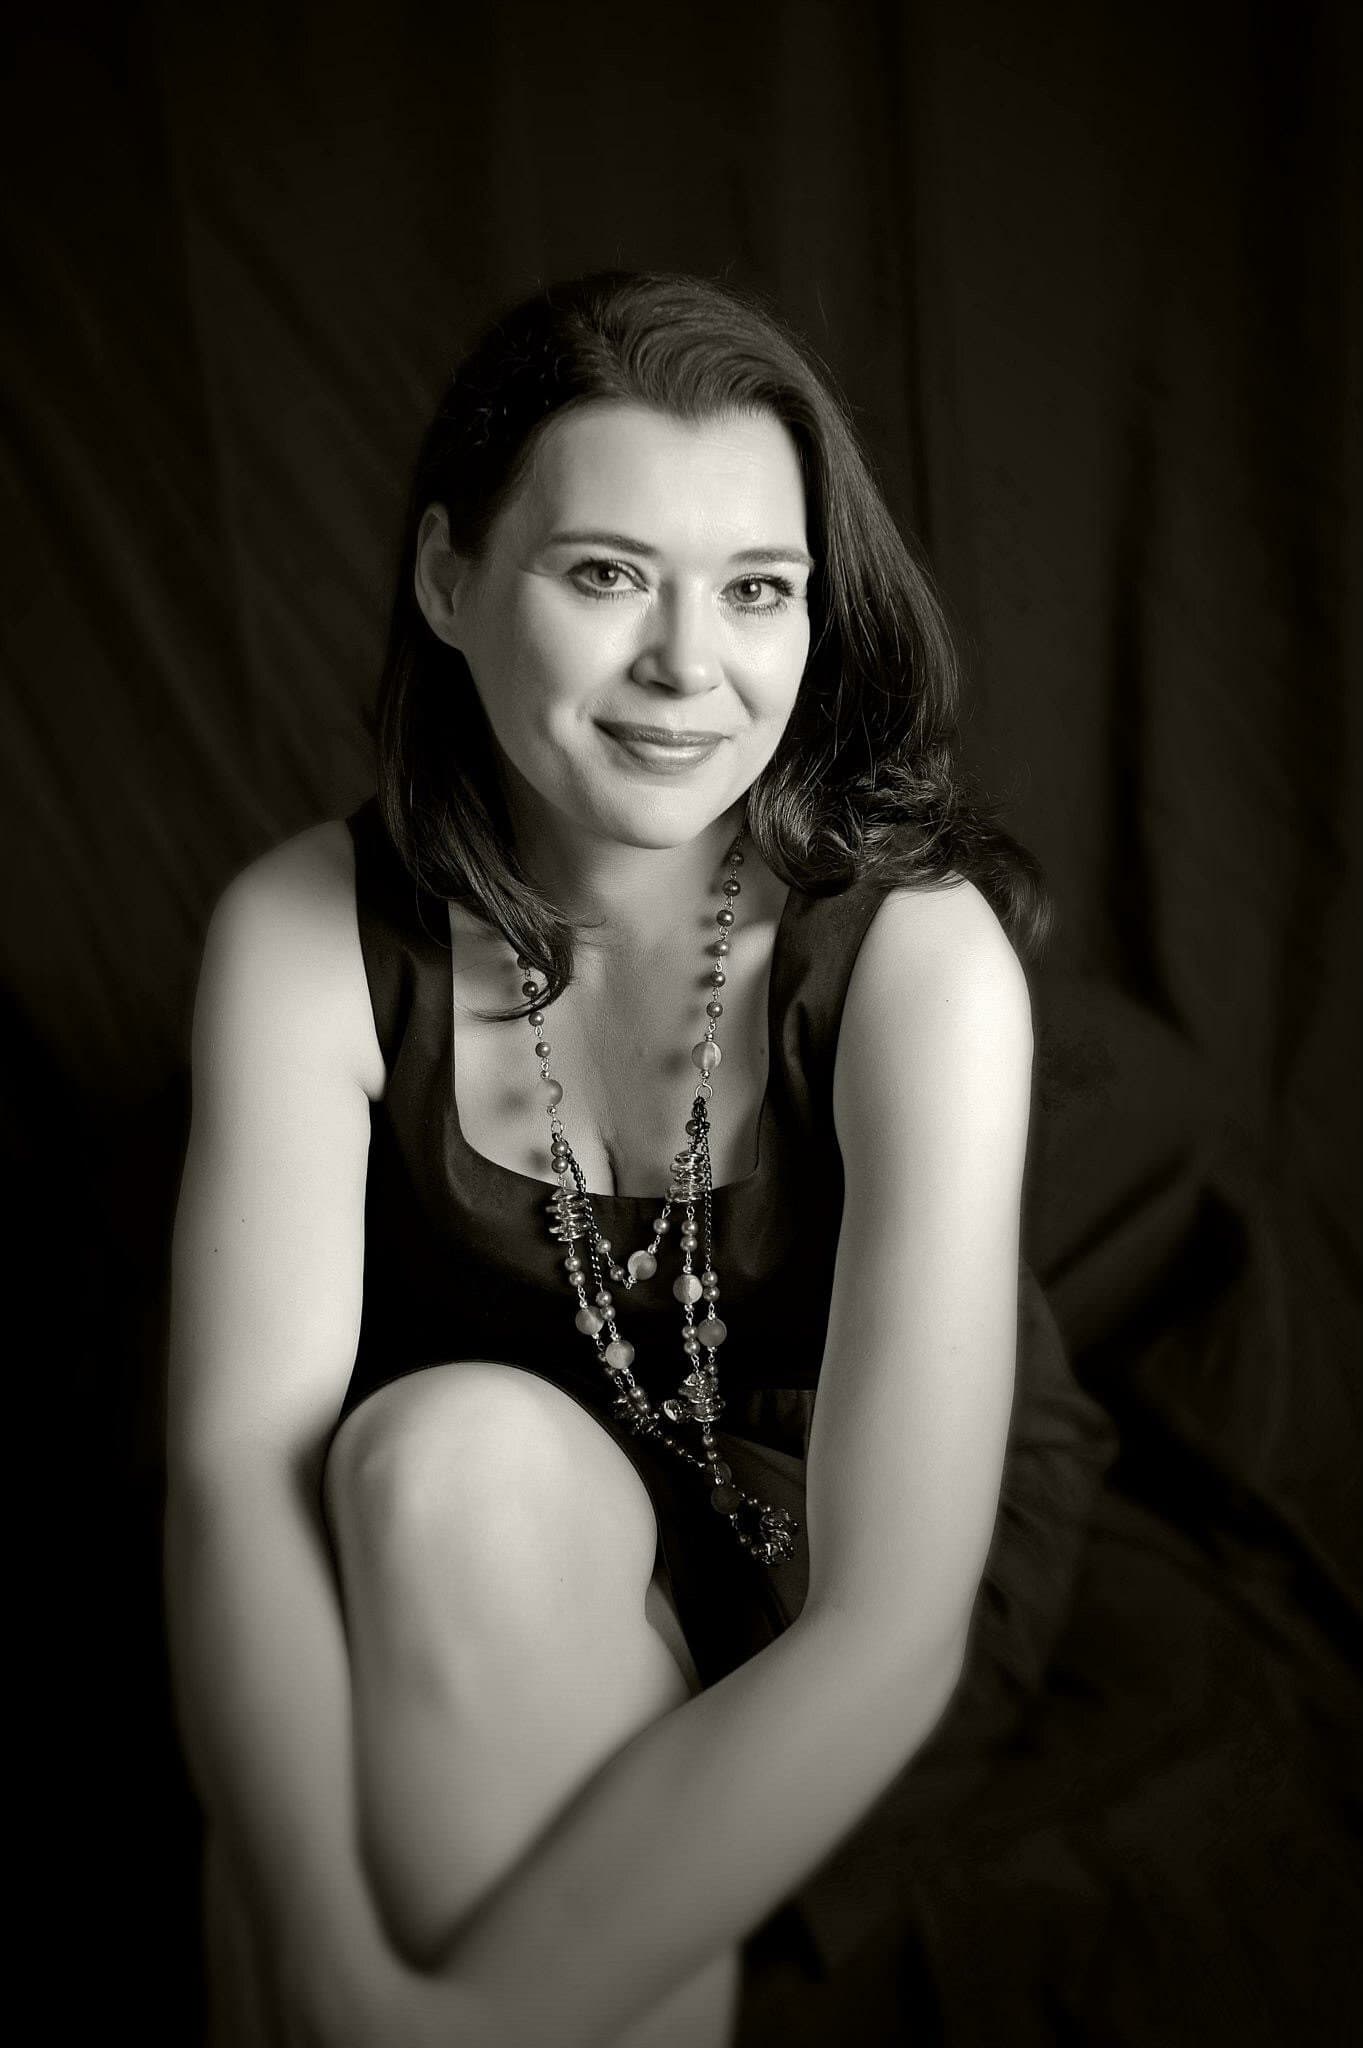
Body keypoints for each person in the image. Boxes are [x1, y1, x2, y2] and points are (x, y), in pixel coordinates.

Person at [164, 270, 1114, 2047]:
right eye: (607, 575)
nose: (691, 667)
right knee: (428, 1466)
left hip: (851, 1567)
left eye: (758, 589)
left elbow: (888, 1628)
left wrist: (441, 2023)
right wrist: (312, 1935)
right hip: (498, 1524)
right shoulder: (304, 934)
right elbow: (233, 1484)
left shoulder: (918, 960)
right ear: (450, 580)